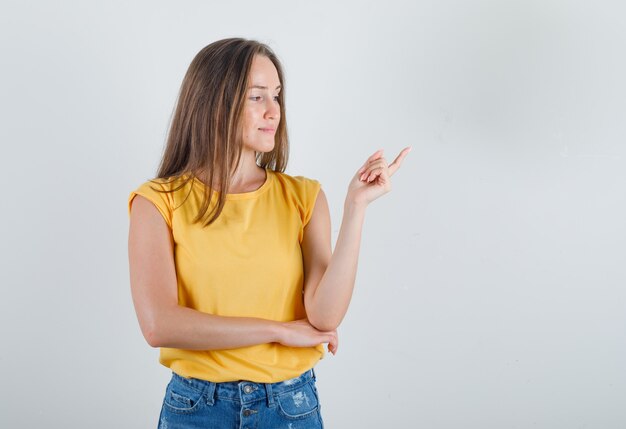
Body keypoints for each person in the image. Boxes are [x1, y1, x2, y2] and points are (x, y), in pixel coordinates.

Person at [127, 37, 410, 428]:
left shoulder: (304, 198)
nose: (273, 111)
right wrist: (278, 331)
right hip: (196, 408)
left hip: (289, 405)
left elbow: (324, 316)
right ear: (215, 102)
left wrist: (355, 207)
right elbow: (160, 325)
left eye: (277, 96)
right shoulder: (157, 202)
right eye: (257, 97)